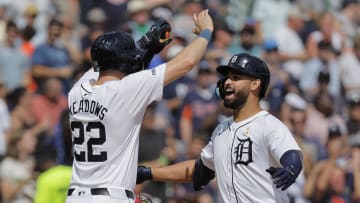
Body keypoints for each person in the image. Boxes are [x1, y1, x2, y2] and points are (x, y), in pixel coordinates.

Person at [65, 9, 214, 203]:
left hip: (76, 196)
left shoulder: (77, 90)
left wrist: (144, 48)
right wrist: (206, 31)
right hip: (111, 197)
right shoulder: (125, 90)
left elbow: (106, 67)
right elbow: (187, 62)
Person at [137, 53, 303, 203]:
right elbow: (199, 170)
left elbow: (291, 154)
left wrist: (291, 168)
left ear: (255, 84)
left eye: (236, 77)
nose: (228, 82)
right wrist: (148, 173)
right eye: (228, 77)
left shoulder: (268, 125)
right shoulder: (221, 130)